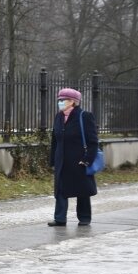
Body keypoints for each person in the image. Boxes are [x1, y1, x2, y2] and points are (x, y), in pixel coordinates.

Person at [48, 87, 98, 227]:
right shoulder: (58, 117)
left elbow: (93, 142)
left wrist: (87, 160)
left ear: (73, 101)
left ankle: (84, 218)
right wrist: (53, 160)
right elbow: (55, 140)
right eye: (59, 100)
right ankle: (60, 218)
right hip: (62, 161)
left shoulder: (84, 116)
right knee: (60, 190)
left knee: (82, 190)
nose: (60, 102)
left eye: (63, 100)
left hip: (79, 161)